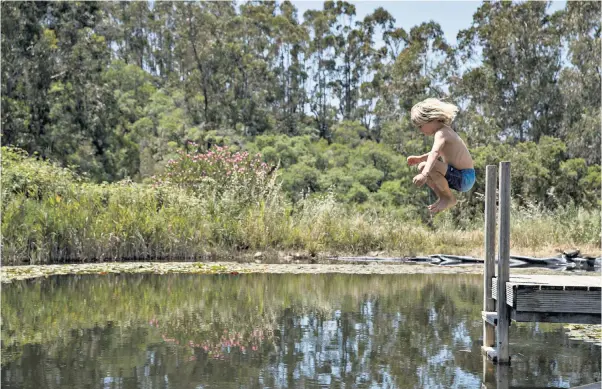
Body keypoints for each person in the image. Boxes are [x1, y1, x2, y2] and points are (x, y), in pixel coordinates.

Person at [406, 98, 475, 213]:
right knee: (422, 166)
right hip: (458, 176)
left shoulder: (442, 133)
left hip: (464, 177)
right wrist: (420, 159)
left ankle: (449, 198)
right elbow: (436, 153)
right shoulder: (444, 132)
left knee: (426, 168)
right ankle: (444, 197)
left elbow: (435, 153)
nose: (420, 130)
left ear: (431, 119)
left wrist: (424, 175)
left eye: (420, 126)